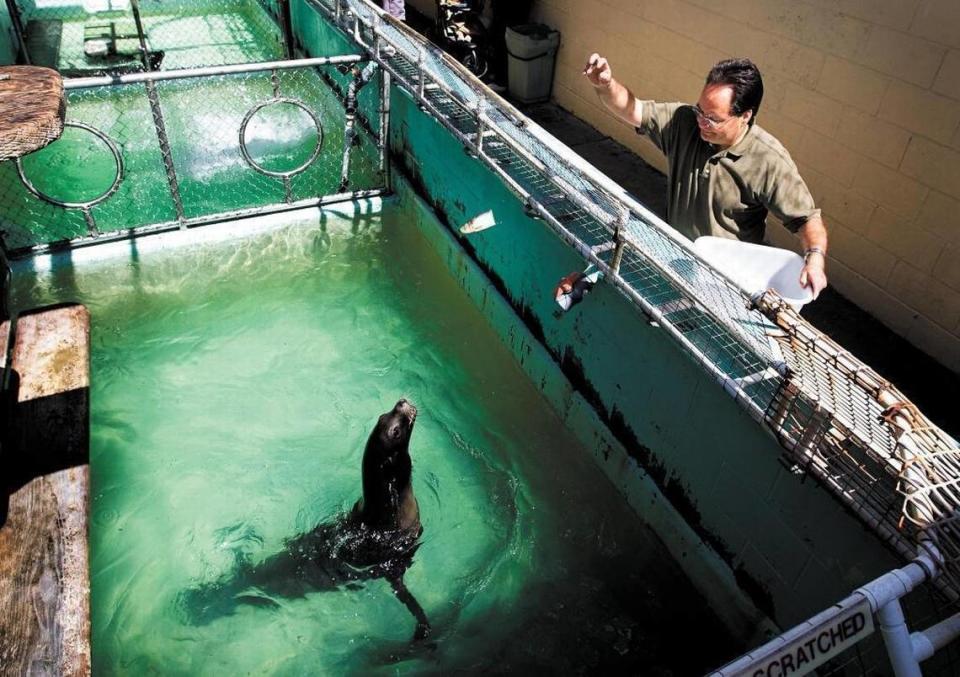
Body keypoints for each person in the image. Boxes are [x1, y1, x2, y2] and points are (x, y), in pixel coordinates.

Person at [577, 54, 828, 300]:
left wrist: (815, 258)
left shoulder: (769, 161)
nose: (702, 123)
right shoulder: (684, 122)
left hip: (724, 283)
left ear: (745, 116)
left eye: (713, 119)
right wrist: (606, 85)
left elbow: (807, 220)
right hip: (672, 256)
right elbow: (634, 109)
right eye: (700, 111)